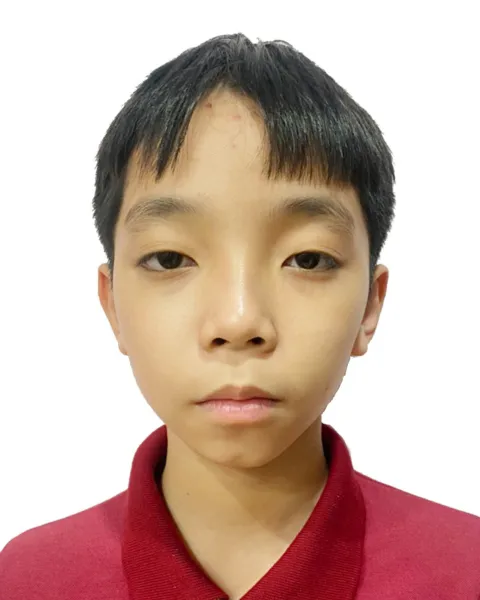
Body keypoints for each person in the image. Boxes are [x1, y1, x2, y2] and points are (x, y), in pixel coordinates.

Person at [1, 33, 479, 600]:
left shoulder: (464, 570)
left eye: (308, 259)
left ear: (370, 307)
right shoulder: (26, 580)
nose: (238, 321)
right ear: (113, 305)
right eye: (170, 258)